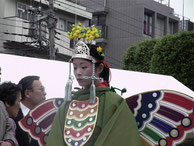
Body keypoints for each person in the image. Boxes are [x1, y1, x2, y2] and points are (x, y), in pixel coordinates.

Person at [46, 24, 142, 145]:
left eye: (83, 67)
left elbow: (120, 138)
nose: (78, 73)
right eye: (75, 67)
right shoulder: (67, 103)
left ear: (99, 68)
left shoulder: (113, 102)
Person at [12, 75, 46, 146]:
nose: (45, 93)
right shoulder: (11, 115)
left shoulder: (44, 118)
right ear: (27, 93)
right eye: (41, 89)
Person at [0, 81, 22, 146]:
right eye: (19, 101)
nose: (20, 106)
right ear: (8, 102)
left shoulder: (10, 122)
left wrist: (9, 142)